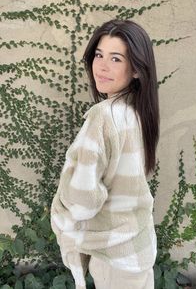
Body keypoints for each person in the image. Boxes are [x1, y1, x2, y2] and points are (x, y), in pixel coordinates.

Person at [50, 19, 160, 289]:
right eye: (99, 55)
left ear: (136, 68)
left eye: (116, 59)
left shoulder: (103, 117)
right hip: (138, 249)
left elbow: (82, 200)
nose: (101, 66)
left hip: (114, 259)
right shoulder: (138, 111)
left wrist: (59, 211)